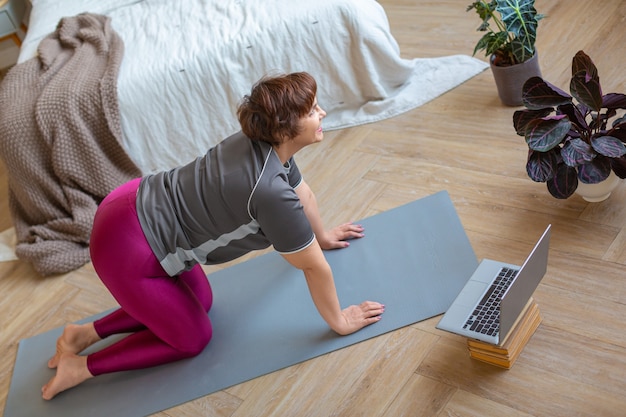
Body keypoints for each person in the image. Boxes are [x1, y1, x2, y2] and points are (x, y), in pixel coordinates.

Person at [42, 72, 385, 400]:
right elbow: (313, 268)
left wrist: (321, 235)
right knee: (193, 337)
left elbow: (303, 194)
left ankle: (83, 333)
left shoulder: (265, 143)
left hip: (131, 201)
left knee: (200, 301)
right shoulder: (268, 191)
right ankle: (82, 367)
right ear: (284, 127)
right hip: (127, 249)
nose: (321, 112)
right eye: (311, 111)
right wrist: (340, 321)